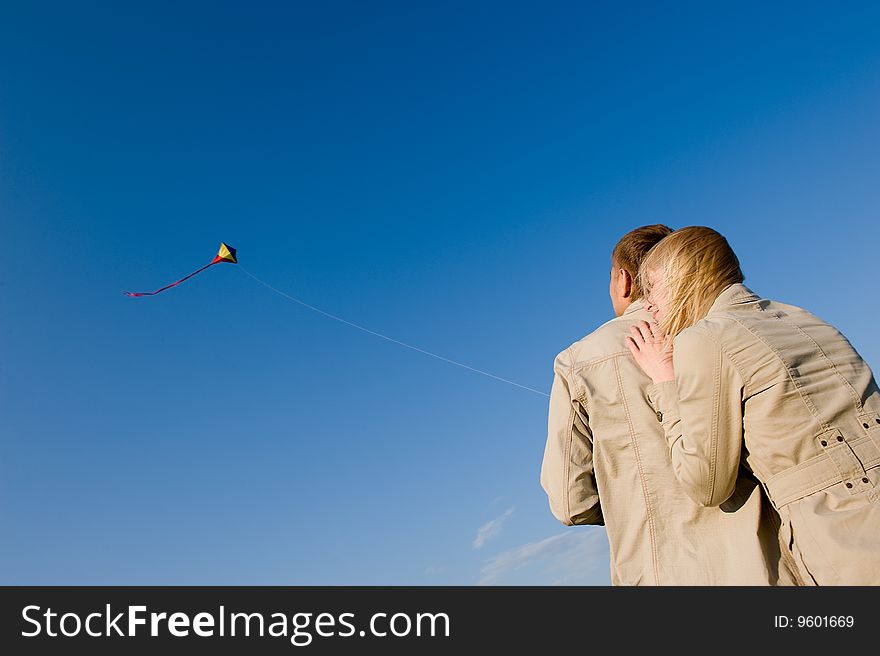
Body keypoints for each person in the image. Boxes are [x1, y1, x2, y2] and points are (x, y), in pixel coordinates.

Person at [541, 225, 794, 585]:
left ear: (624, 281)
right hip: (768, 560)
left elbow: (570, 503)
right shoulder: (725, 326)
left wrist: (627, 498)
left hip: (659, 571)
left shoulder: (576, 361)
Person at [627, 225, 880, 585]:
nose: (647, 305)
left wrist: (665, 382)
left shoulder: (704, 339)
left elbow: (707, 484)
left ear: (684, 275)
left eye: (652, 288)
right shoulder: (804, 316)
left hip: (846, 540)